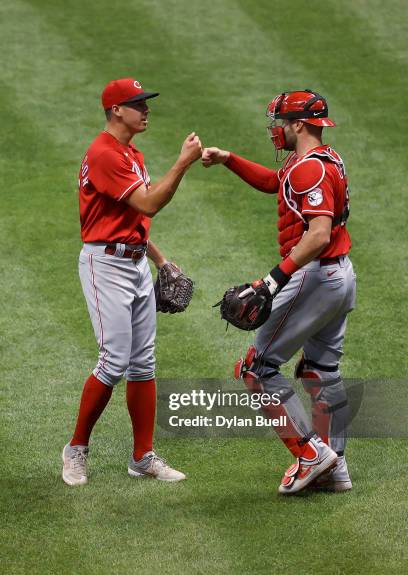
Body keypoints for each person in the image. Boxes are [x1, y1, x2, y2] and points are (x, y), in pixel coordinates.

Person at [202, 89, 356, 494]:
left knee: (257, 368)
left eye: (281, 122)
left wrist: (273, 280)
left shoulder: (310, 169)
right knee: (321, 371)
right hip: (340, 277)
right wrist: (230, 160)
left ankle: (310, 454)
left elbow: (318, 235)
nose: (276, 129)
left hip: (315, 275)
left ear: (299, 124)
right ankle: (335, 468)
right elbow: (276, 182)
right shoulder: (319, 160)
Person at [62, 78, 202, 486]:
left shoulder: (130, 153)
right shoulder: (105, 154)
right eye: (137, 103)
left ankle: (142, 457)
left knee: (144, 363)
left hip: (135, 262)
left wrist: (161, 260)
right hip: (104, 266)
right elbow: (149, 202)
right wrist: (183, 162)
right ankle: (76, 449)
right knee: (113, 361)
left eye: (146, 102)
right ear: (115, 110)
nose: (145, 109)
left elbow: (131, 219)